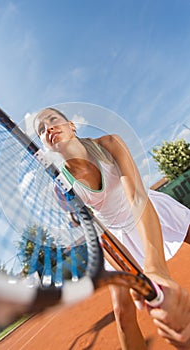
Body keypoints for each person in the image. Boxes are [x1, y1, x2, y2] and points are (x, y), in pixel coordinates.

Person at [33, 107, 190, 350]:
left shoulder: (109, 143)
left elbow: (137, 198)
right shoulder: (60, 189)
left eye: (53, 120)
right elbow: (91, 230)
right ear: (44, 144)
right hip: (115, 237)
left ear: (71, 126)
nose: (48, 128)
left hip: (147, 209)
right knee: (123, 312)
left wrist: (155, 268)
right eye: (41, 130)